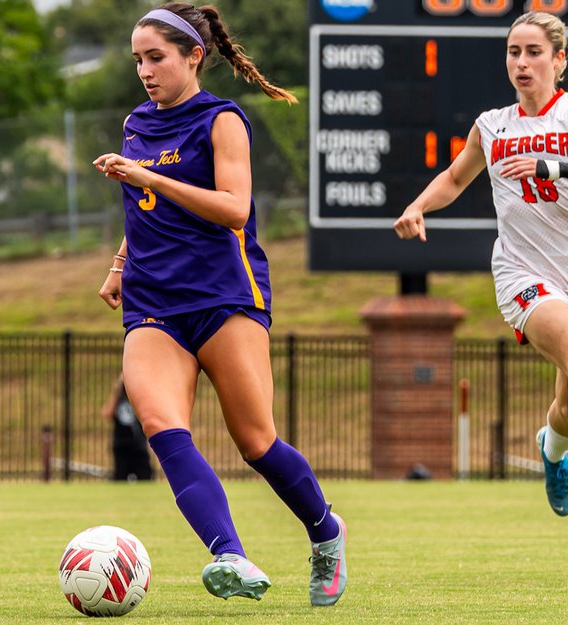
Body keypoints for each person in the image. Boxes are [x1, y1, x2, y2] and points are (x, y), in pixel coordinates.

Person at [93, 3, 347, 606]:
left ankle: (326, 532)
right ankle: (229, 554)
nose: (146, 71)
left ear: (193, 56)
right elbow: (144, 206)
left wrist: (148, 179)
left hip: (226, 294)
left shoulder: (223, 120)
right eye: (138, 60)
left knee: (257, 442)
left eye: (156, 57)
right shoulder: (136, 124)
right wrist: (120, 265)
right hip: (154, 299)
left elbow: (234, 207)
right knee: (161, 425)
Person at [394, 12, 568, 550]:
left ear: (559, 60)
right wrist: (418, 206)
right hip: (523, 274)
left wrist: (559, 167)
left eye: (534, 52)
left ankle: (552, 448)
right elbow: (453, 177)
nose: (521, 62)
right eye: (514, 52)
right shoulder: (493, 125)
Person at [101, 374, 154, 482]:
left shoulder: (139, 398)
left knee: (145, 479)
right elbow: (108, 413)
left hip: (138, 446)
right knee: (120, 479)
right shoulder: (118, 400)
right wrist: (117, 391)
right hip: (121, 446)